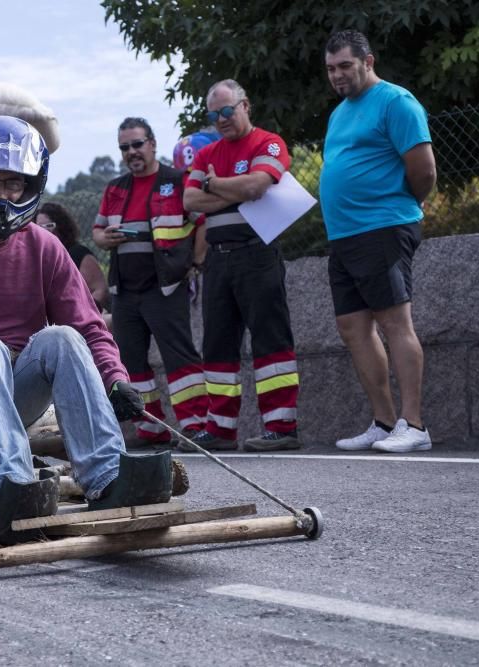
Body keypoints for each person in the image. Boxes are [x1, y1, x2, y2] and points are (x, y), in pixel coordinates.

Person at [0, 115, 172, 544]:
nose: (2, 195)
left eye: (14, 184)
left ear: (31, 186)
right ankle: (9, 490)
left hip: (14, 397)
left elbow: (90, 329)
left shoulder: (46, 248)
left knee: (64, 337)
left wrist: (117, 380)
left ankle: (108, 478)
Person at [322, 31, 437, 453]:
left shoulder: (396, 102)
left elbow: (424, 171)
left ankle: (415, 425)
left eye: (345, 66)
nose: (337, 75)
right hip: (345, 236)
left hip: (384, 228)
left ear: (368, 61)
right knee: (353, 326)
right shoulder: (339, 114)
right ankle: (385, 422)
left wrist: (395, 206)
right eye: (331, 69)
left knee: (394, 322)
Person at [182, 80, 301, 453]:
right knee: (217, 344)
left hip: (257, 253)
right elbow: (189, 200)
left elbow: (258, 186)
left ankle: (282, 427)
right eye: (214, 115)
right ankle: (220, 429)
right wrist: (233, 188)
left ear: (245, 106)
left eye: (227, 111)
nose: (220, 120)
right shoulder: (206, 154)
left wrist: (217, 186)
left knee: (270, 339)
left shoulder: (268, 142)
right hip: (218, 259)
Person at [92, 117, 208, 447]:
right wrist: (106, 238)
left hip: (166, 285)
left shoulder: (177, 180)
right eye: (125, 147)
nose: (132, 152)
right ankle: (150, 426)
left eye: (137, 144)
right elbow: (97, 232)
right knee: (131, 362)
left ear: (153, 144)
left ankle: (195, 425)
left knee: (179, 356)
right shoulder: (115, 187)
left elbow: (203, 224)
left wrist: (195, 263)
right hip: (125, 291)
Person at [35, 202, 109, 311]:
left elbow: (100, 289)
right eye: (38, 227)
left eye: (49, 226)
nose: (44, 231)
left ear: (61, 226)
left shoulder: (78, 253)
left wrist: (85, 314)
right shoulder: (36, 258)